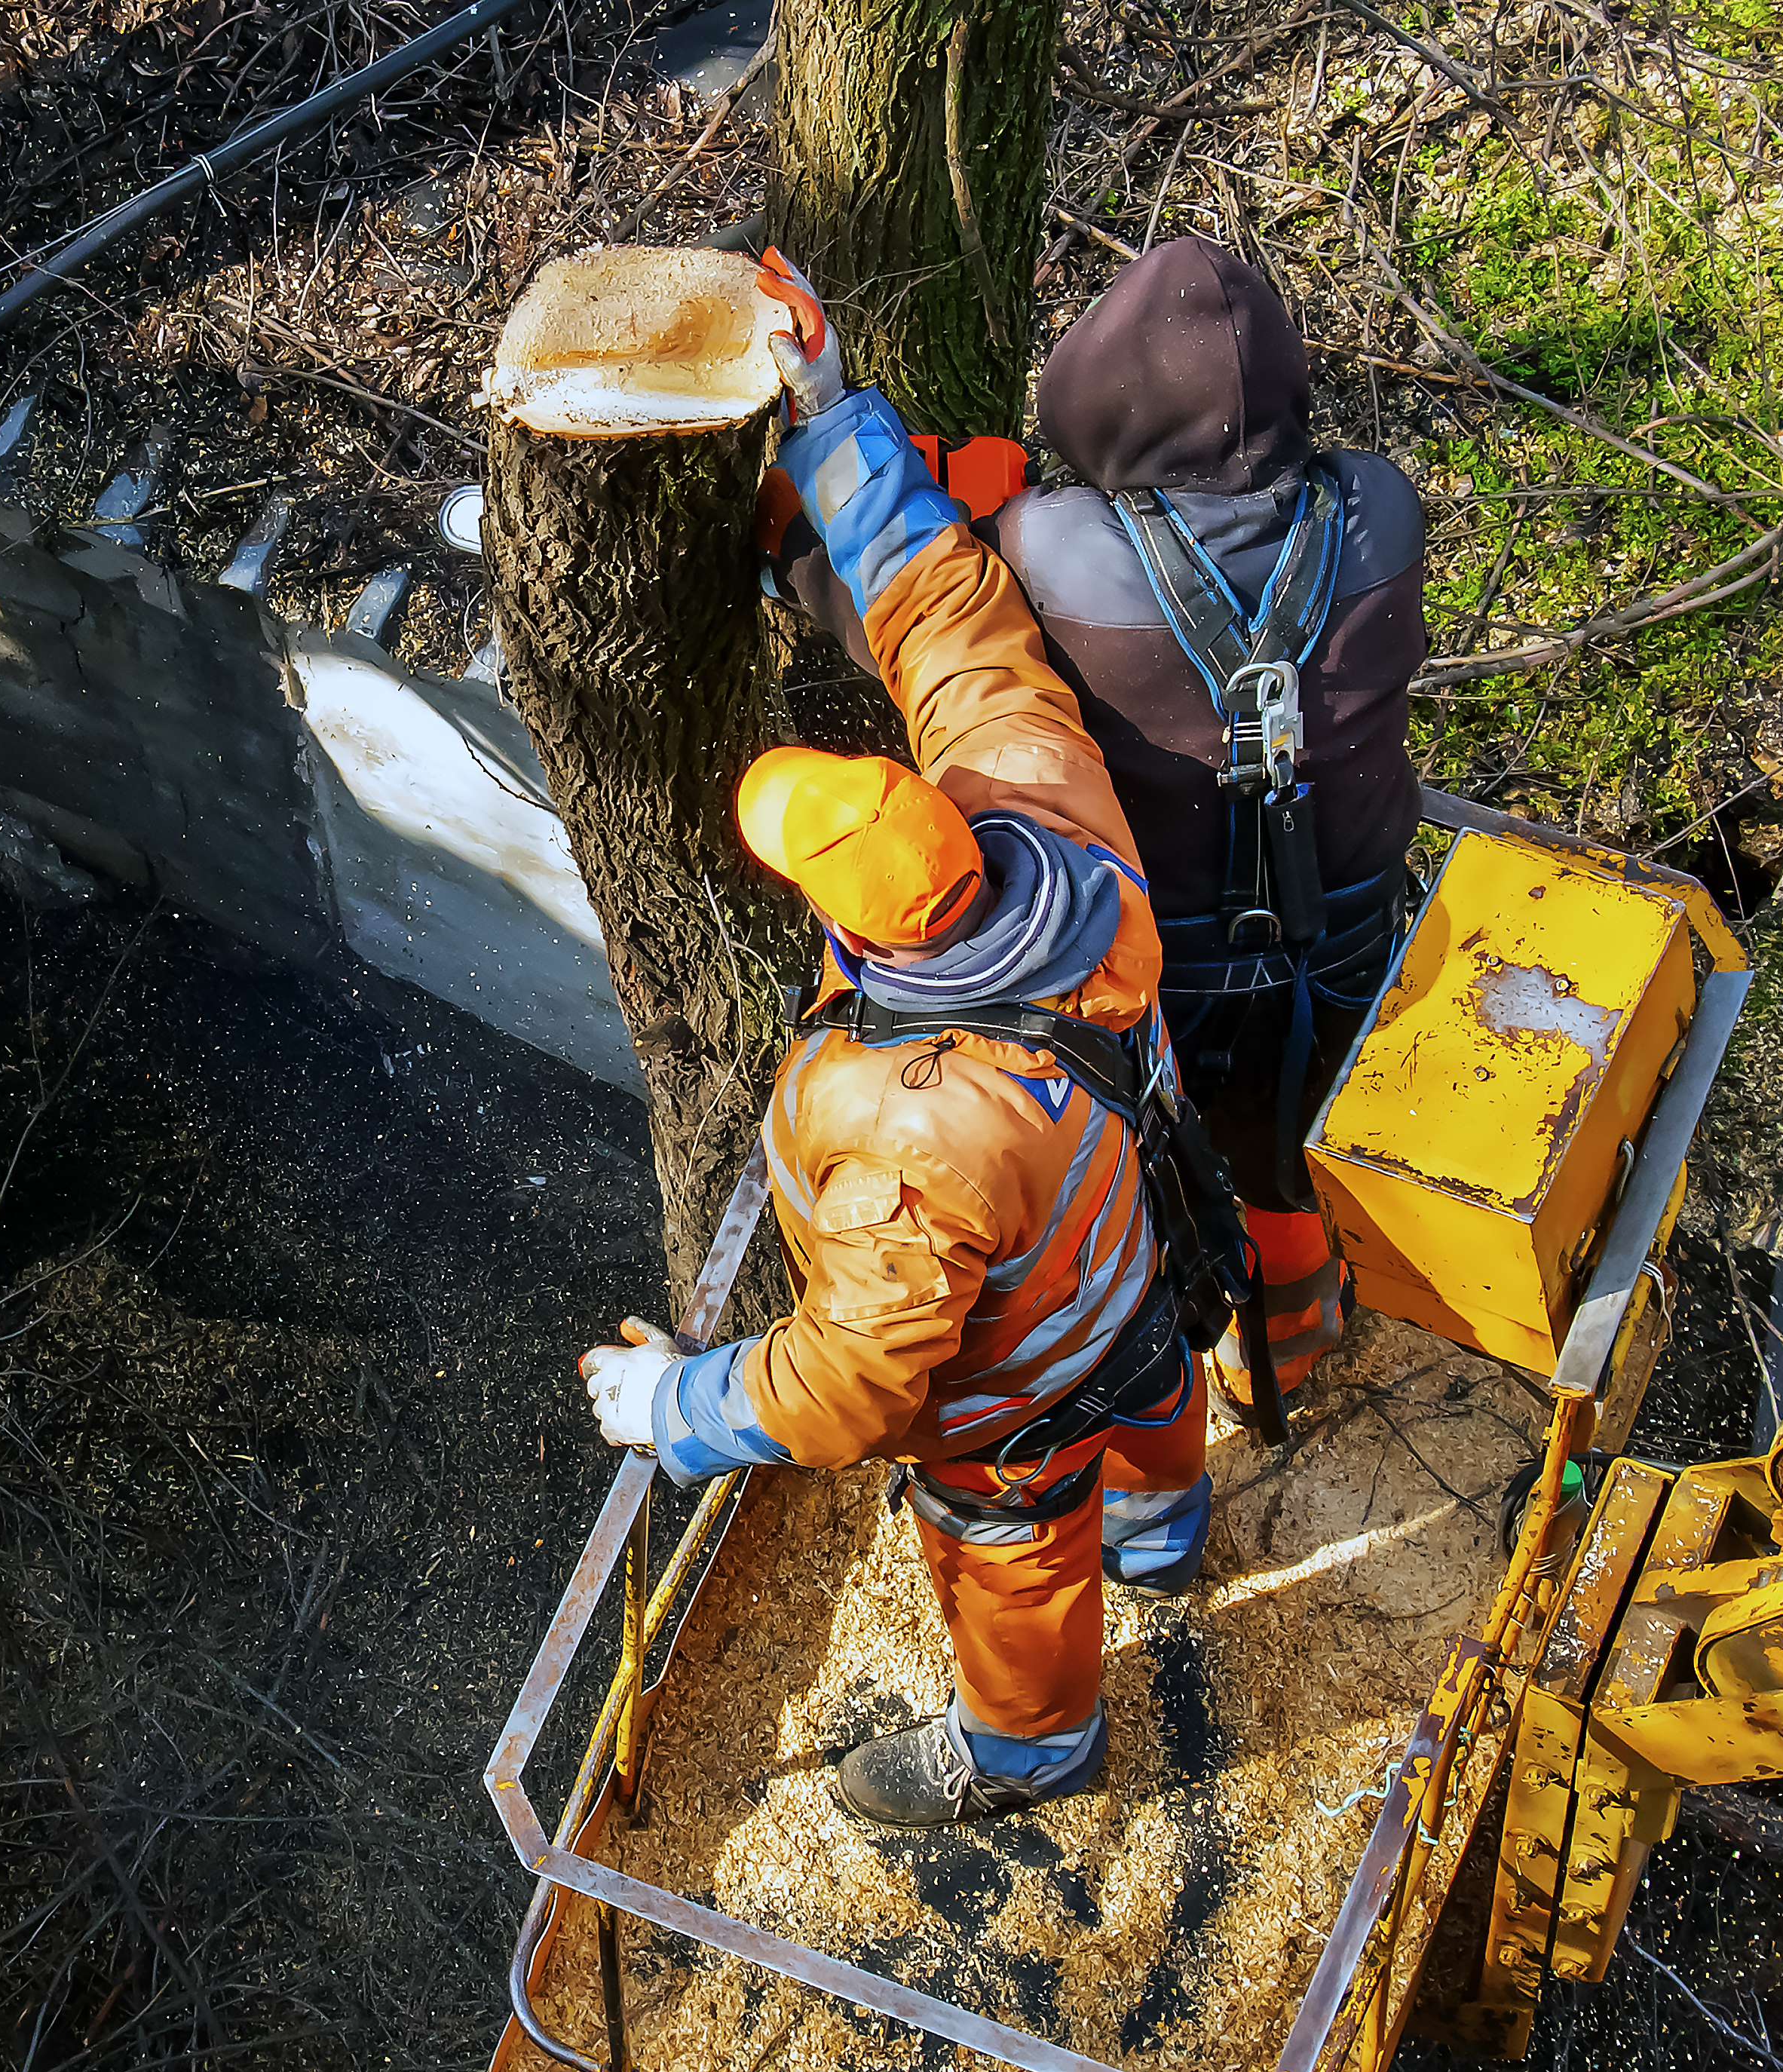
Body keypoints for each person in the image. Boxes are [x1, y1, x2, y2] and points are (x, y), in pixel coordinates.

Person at [579, 255, 1208, 1833]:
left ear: (855, 932)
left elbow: (853, 1380)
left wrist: (680, 1410)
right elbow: (945, 610)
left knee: (1011, 1564)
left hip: (1016, 1401)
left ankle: (1028, 1750)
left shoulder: (898, 1134)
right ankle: (1169, 1533)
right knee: (1150, 1409)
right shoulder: (1034, 796)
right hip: (1134, 1260)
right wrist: (830, 407)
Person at [764, 238, 1429, 1420]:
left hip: (1162, 954)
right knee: (1295, 1141)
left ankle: (1202, 1353)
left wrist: (808, 525)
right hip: (1349, 928)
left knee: (1179, 1162)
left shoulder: (1059, 547)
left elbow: (937, 632)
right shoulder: (1377, 504)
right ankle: (1301, 1322)